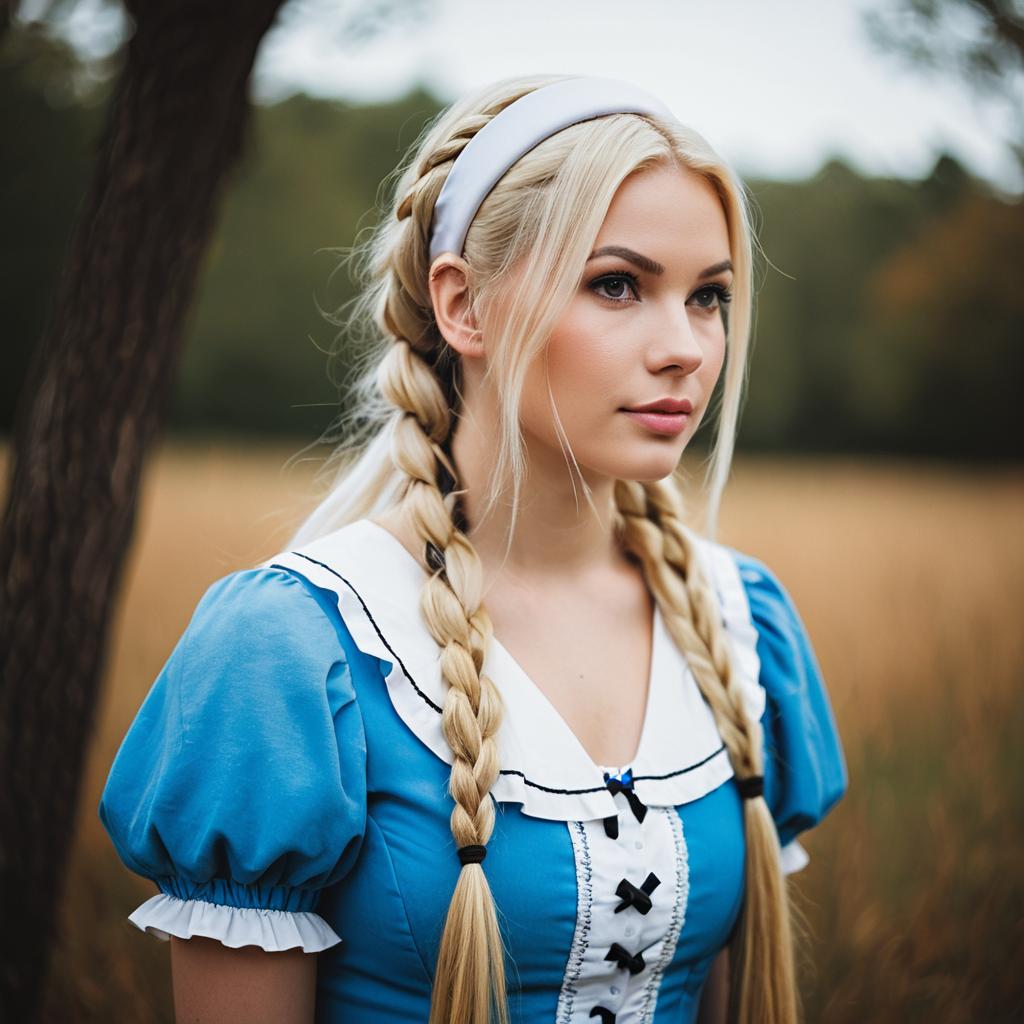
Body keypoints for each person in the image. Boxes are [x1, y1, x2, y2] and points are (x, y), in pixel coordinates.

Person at [99, 73, 848, 1024]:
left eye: (709, 297)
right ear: (465, 307)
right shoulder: (294, 647)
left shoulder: (742, 627)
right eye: (617, 284)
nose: (687, 348)